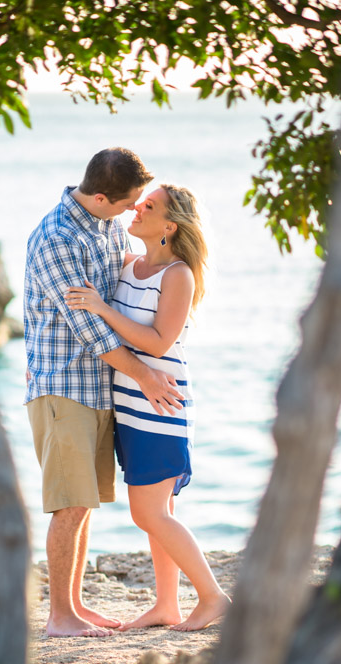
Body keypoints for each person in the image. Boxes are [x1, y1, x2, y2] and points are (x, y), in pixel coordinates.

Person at [24, 149, 184, 638]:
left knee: (84, 502)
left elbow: (123, 294)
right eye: (131, 202)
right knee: (68, 504)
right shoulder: (57, 239)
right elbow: (90, 330)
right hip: (62, 386)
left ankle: (74, 605)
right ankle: (60, 617)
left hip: (99, 389)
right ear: (100, 196)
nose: (135, 209)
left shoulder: (108, 225)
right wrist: (146, 375)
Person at [66, 183, 231, 631]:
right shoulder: (128, 264)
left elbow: (158, 342)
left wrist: (103, 310)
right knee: (159, 514)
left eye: (149, 206)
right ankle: (166, 606)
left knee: (149, 512)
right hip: (130, 405)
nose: (137, 208)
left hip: (160, 402)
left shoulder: (178, 274)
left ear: (169, 227)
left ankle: (213, 597)